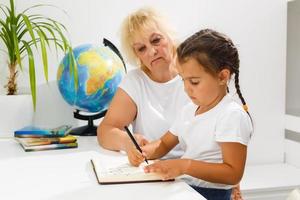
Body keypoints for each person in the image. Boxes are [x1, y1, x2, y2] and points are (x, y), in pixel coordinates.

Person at [128, 29, 253, 200]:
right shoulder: (188, 110)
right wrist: (143, 152)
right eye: (183, 79)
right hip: (185, 188)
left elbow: (232, 174)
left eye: (194, 81)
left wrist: (184, 165)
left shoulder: (231, 115)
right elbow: (164, 144)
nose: (186, 88)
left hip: (211, 194)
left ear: (222, 76)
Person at [97, 7, 189, 160]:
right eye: (141, 48)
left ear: (170, 37)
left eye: (156, 40)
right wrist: (127, 142)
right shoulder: (135, 82)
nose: (152, 52)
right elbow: (105, 131)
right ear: (136, 55)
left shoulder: (194, 73)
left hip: (196, 174)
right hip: (154, 173)